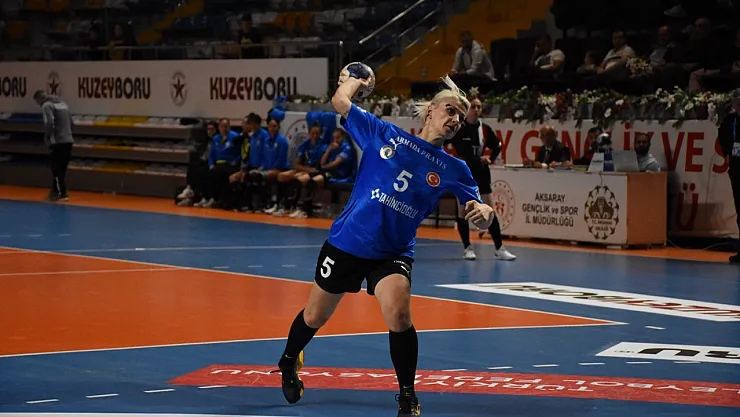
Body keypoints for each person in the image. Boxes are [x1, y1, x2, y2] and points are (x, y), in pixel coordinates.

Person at [274, 65, 495, 417]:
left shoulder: (455, 168)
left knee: (399, 313)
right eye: (450, 110)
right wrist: (353, 81)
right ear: (431, 110)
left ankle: (407, 395)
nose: (455, 119)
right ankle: (288, 361)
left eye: (460, 116)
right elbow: (341, 101)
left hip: (393, 252)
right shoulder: (384, 134)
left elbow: (480, 207)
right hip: (348, 243)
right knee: (315, 315)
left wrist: (484, 213)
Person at [445, 96, 516, 261]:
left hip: (481, 172)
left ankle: (499, 248)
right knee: (463, 210)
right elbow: (443, 143)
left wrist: (490, 158)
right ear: (467, 108)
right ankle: (467, 248)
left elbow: (497, 146)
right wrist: (453, 161)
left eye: (479, 107)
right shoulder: (459, 128)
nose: (477, 110)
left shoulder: (484, 129)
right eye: (474, 107)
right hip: (464, 173)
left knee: (489, 209)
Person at [33, 90, 74, 202]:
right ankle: (55, 192)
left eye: (37, 102)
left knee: (56, 168)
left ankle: (63, 193)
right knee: (61, 169)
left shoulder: (47, 105)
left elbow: (49, 122)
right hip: (68, 139)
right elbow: (71, 122)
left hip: (57, 141)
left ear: (39, 99)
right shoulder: (63, 104)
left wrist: (47, 135)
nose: (39, 105)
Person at [719, 88, 740, 263]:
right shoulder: (730, 120)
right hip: (736, 169)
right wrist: (727, 152)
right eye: (736, 102)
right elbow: (722, 137)